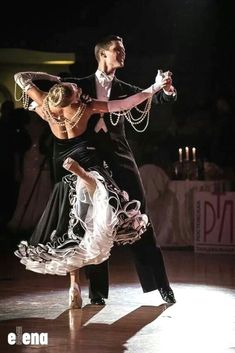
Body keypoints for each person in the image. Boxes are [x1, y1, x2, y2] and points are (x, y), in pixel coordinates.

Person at [13, 70, 169, 308]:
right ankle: (99, 265)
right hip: (85, 162)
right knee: (98, 213)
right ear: (73, 98)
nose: (78, 89)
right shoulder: (85, 108)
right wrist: (156, 87)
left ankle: (74, 283)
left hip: (61, 164)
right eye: (75, 90)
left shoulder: (47, 105)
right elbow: (127, 103)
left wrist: (49, 83)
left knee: (70, 224)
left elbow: (20, 78)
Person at [62, 35, 177, 305]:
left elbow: (151, 100)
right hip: (90, 161)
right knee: (94, 222)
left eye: (123, 49)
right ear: (102, 54)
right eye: (117, 50)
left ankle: (161, 286)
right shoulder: (79, 86)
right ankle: (98, 294)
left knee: (140, 218)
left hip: (121, 158)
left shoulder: (125, 88)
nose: (122, 53)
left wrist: (167, 90)